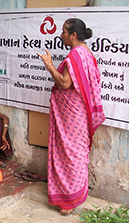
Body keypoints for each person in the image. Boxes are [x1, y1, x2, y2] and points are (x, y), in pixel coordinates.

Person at [38, 18, 106, 215]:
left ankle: (69, 199)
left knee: (70, 153)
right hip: (79, 112)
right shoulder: (86, 53)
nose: (61, 36)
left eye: (63, 32)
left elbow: (65, 83)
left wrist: (49, 65)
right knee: (76, 152)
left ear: (73, 35)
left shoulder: (75, 55)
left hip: (72, 114)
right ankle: (75, 193)